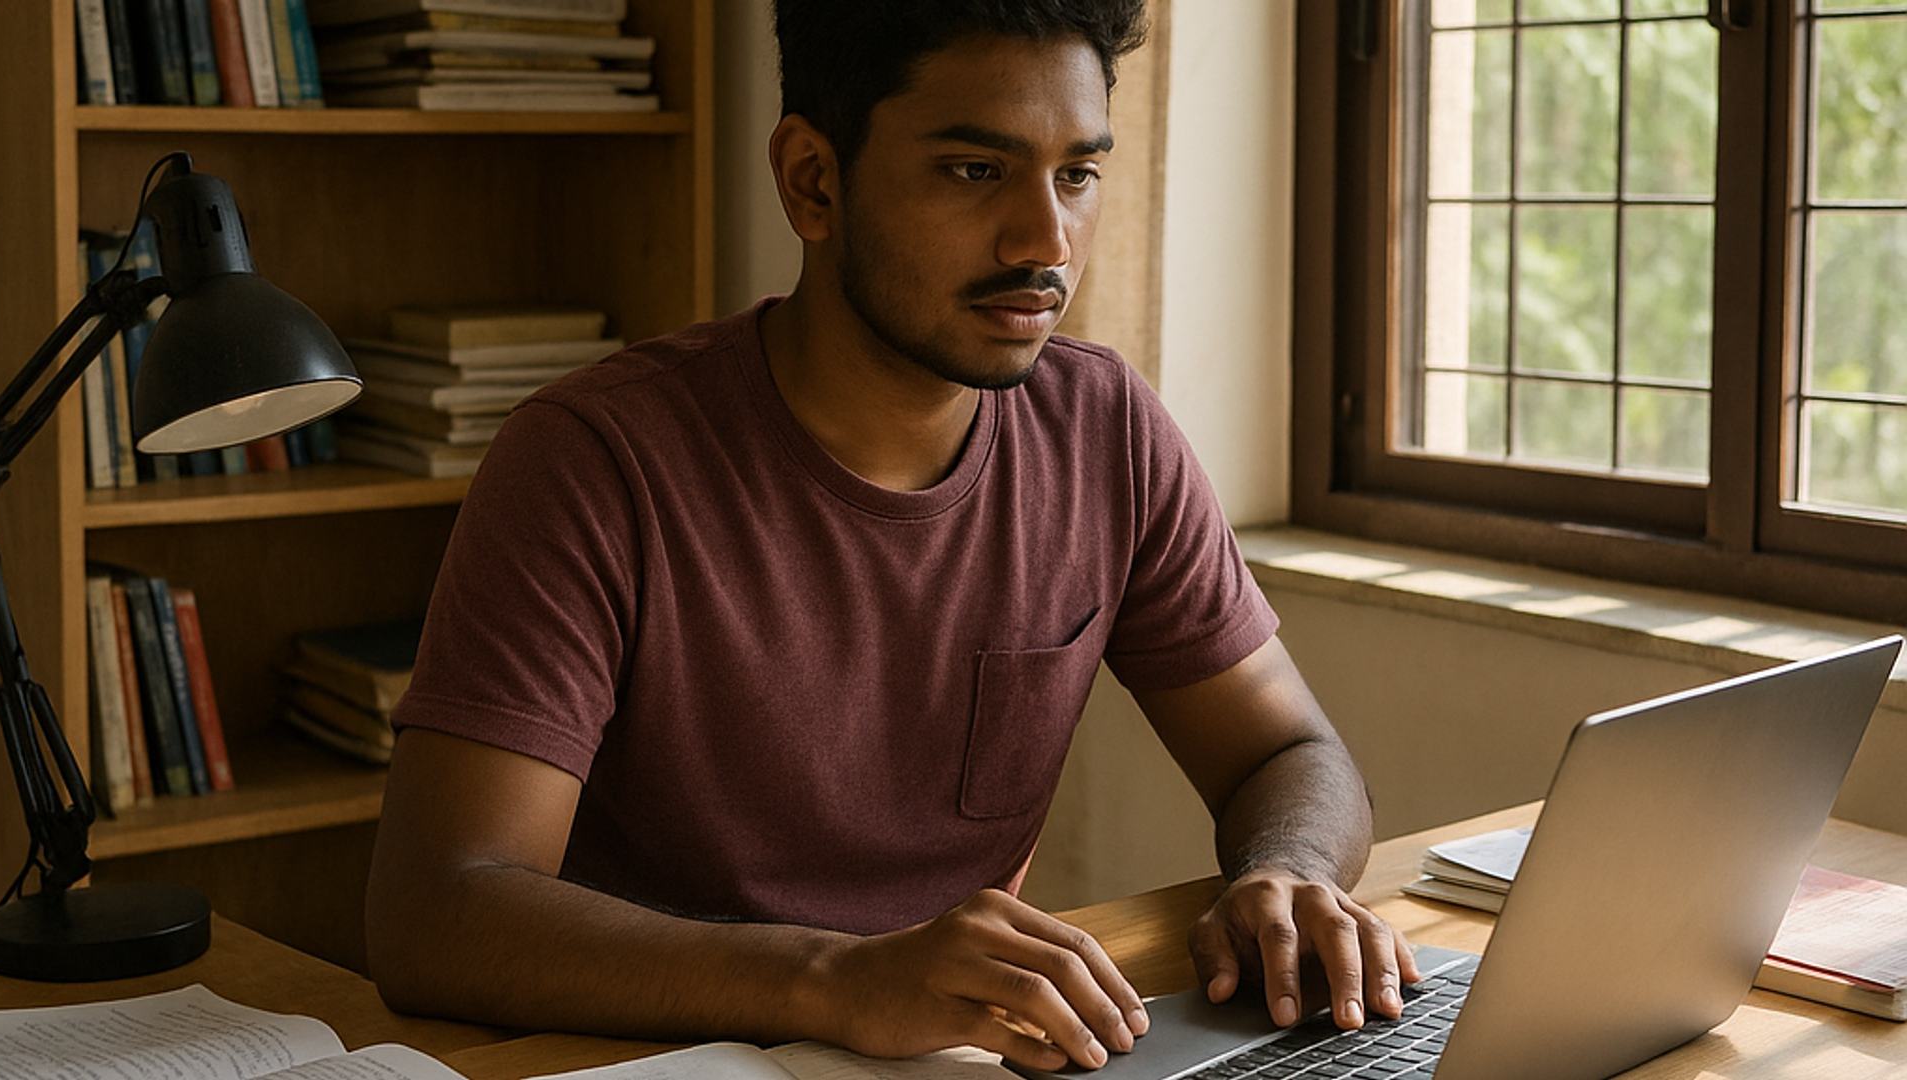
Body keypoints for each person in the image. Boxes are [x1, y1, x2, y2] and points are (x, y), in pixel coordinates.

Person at [365, 1, 1418, 1072]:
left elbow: (1288, 752)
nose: (1045, 242)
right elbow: (440, 911)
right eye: (976, 171)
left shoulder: (1107, 430)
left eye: (1078, 174)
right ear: (813, 181)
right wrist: (833, 979)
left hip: (955, 1057)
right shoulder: (593, 461)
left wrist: (1289, 874)